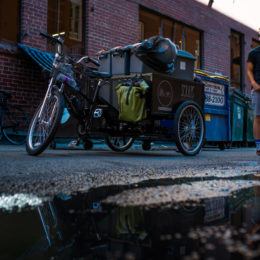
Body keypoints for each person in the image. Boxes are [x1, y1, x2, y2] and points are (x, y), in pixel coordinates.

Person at [247, 44, 260, 155]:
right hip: (257, 89)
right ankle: (259, 146)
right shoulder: (254, 53)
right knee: (258, 117)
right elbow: (249, 70)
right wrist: (253, 83)